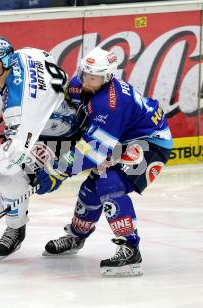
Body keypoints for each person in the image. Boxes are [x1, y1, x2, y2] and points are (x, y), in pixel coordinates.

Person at [36, 47, 173, 276]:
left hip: (151, 141)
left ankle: (130, 249)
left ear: (107, 77)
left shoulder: (110, 104)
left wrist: (56, 171)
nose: (87, 81)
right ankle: (76, 237)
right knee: (90, 189)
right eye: (84, 73)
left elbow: (92, 151)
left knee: (109, 183)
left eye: (94, 77)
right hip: (121, 137)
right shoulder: (80, 83)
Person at [0, 36, 83, 261]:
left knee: (10, 175)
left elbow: (16, 153)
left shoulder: (20, 105)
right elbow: (47, 59)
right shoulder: (23, 53)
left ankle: (15, 230)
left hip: (64, 139)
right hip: (46, 124)